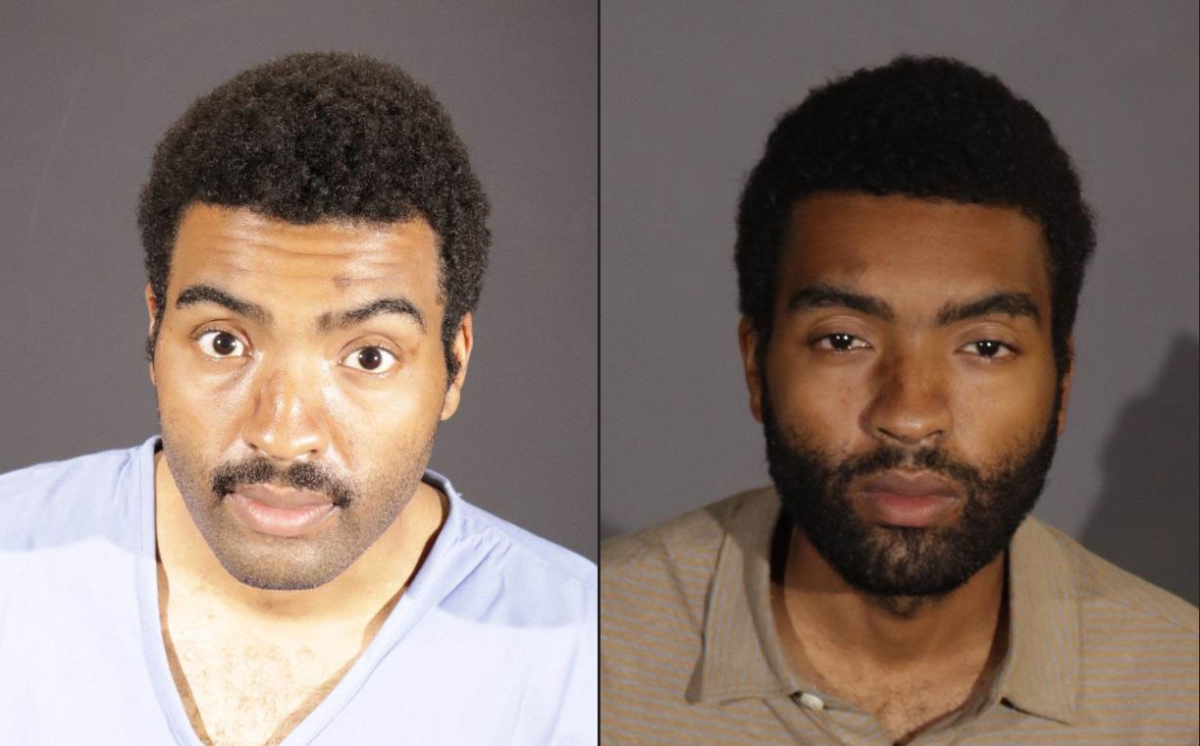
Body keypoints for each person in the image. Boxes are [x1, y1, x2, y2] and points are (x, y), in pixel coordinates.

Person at [0, 52, 595, 746]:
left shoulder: (581, 653)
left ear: (455, 364)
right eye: (224, 342)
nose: (283, 436)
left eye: (368, 357)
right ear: (155, 330)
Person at [601, 56, 1197, 745]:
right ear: (756, 367)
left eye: (985, 347)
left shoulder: (1179, 692)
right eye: (845, 340)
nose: (910, 415)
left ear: (1062, 382)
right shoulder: (598, 652)